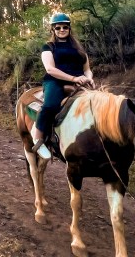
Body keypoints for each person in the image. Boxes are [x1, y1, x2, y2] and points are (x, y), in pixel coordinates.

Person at [31, 13, 94, 160]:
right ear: (53, 29)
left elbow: (87, 69)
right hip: (55, 81)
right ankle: (38, 139)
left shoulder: (78, 48)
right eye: (58, 27)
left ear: (69, 28)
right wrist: (73, 78)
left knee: (97, 105)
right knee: (50, 105)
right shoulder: (48, 47)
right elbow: (50, 69)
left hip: (79, 81)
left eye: (65, 27)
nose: (61, 29)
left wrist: (89, 79)